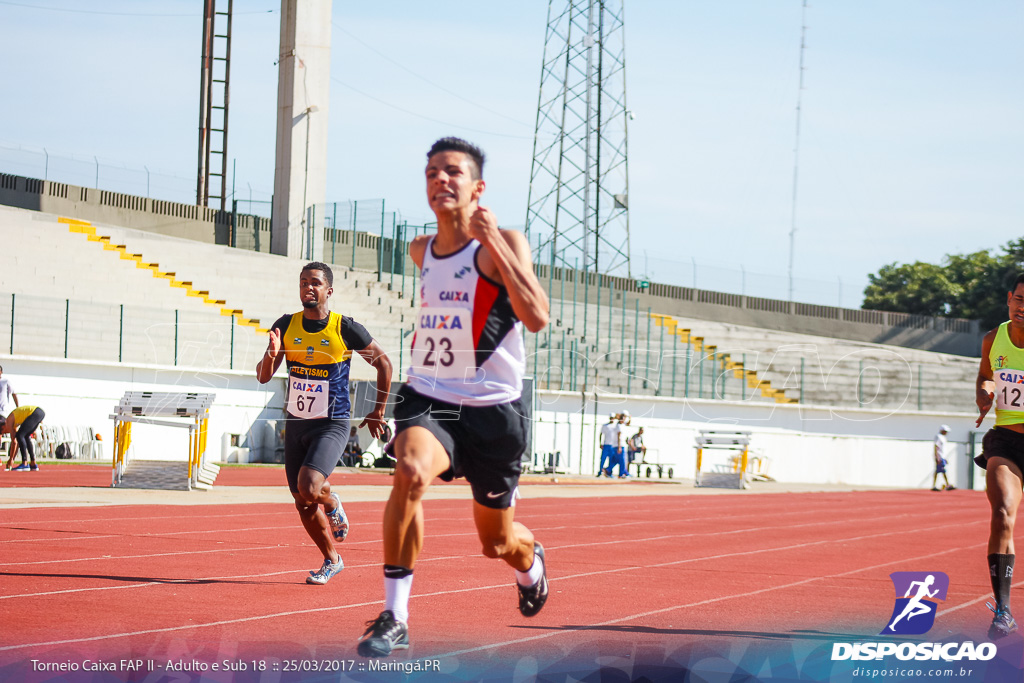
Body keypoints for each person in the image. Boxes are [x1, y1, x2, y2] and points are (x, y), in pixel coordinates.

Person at [356, 138, 550, 658]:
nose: (441, 180)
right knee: (410, 472)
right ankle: (395, 617)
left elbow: (536, 316)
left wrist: (500, 247)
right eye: (432, 173)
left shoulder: (502, 241)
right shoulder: (420, 249)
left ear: (477, 187)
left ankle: (531, 566)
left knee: (496, 544)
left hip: (495, 412)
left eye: (453, 173)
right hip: (431, 395)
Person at [257, 261, 392, 585]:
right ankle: (332, 559)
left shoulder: (344, 327)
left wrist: (377, 412)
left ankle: (330, 501)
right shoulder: (286, 325)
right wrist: (272, 354)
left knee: (310, 487)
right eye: (303, 282)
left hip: (332, 422)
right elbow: (263, 377)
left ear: (328, 291)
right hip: (297, 423)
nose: (308, 287)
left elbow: (384, 364)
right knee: (302, 500)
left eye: (315, 283)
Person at [974, 273, 1024, 638]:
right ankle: (1003, 611)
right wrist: (985, 393)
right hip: (1006, 439)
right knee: (1003, 512)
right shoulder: (994, 338)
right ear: (1010, 298)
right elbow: (984, 376)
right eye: (1020, 299)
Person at [3, 405, 45, 471]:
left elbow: (14, 442)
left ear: (3, 427)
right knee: (25, 436)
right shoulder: (13, 423)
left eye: (4, 432)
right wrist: (12, 459)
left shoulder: (8, 422)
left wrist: (11, 459)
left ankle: (24, 463)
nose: (6, 433)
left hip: (34, 412)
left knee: (20, 435)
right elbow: (17, 442)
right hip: (39, 412)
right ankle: (33, 463)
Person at [0, 365, 19, 462]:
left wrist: (17, 407)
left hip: (3, 412)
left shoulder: (5, 382)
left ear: (1, 372)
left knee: (11, 433)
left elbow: (14, 393)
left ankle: (12, 457)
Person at [932, 425, 954, 491]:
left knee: (938, 471)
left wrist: (945, 458)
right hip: (940, 457)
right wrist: (937, 457)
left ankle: (935, 485)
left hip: (942, 457)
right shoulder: (938, 437)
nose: (946, 433)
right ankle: (947, 484)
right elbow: (936, 447)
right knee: (943, 471)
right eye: (945, 431)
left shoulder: (943, 438)